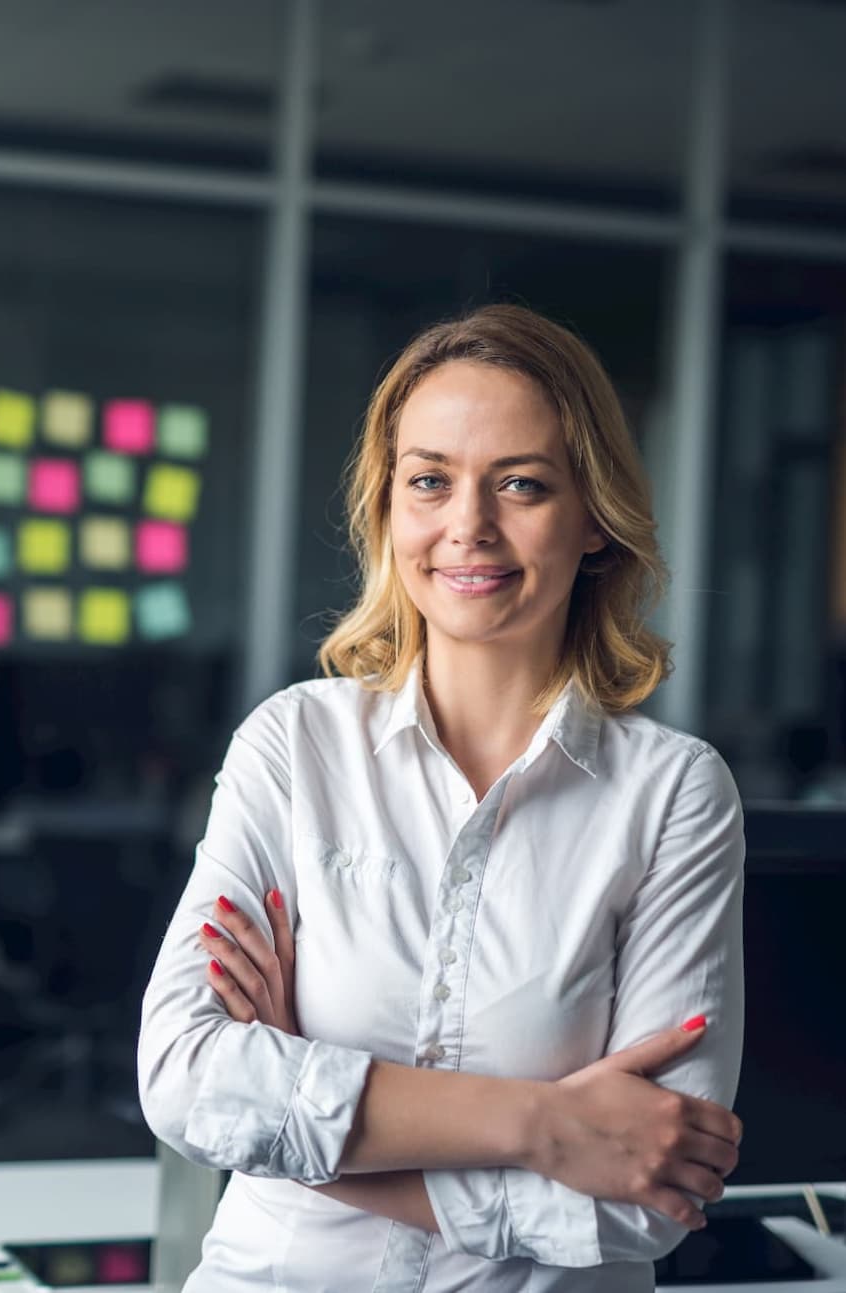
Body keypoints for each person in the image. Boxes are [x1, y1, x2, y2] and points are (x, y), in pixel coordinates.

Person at [138, 305, 745, 1291]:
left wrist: (301, 1113)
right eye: (428, 481)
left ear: (593, 516)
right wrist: (546, 1127)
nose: (467, 525)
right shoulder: (295, 746)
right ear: (388, 508)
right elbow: (187, 1082)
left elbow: (647, 1193)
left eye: (520, 484)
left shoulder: (672, 794)